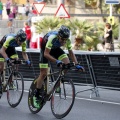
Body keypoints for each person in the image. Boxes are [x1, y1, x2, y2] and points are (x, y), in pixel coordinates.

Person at [33, 25, 84, 108]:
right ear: (58, 36)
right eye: (62, 39)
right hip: (45, 50)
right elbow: (46, 54)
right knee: (43, 73)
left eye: (65, 40)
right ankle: (36, 94)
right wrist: (56, 61)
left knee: (67, 64)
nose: (64, 42)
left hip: (56, 49)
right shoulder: (52, 38)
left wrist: (77, 64)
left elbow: (71, 53)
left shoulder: (66, 40)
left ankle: (56, 84)